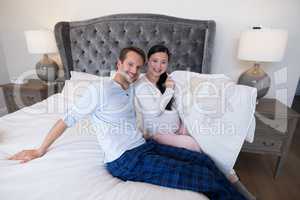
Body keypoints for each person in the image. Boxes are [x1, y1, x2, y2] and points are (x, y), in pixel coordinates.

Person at [8, 46, 245, 200]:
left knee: (202, 160)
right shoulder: (99, 89)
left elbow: (155, 77)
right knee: (202, 179)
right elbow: (66, 119)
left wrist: (166, 78)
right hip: (125, 161)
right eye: (129, 65)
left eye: (138, 67)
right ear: (119, 64)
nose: (133, 71)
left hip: (144, 146)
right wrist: (40, 150)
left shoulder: (132, 87)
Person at [134, 44, 201, 152]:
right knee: (191, 144)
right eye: (155, 61)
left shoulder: (167, 79)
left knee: (200, 131)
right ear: (148, 61)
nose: (158, 66)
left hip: (176, 130)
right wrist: (169, 89)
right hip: (158, 134)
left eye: (163, 62)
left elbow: (178, 104)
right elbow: (155, 111)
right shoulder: (141, 85)